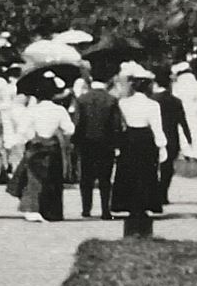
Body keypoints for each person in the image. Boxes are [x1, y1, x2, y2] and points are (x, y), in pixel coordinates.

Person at [111, 62, 167, 239]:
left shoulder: (123, 103)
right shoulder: (152, 105)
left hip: (129, 140)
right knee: (146, 175)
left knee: (128, 174)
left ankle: (130, 207)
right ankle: (143, 207)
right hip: (145, 141)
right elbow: (157, 128)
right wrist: (162, 146)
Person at [14, 85, 74, 222]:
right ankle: (53, 212)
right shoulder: (59, 110)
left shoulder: (32, 111)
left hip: (36, 146)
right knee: (54, 179)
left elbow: (22, 130)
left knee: (34, 178)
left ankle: (33, 209)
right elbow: (69, 129)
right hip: (53, 147)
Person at [72, 76, 122, 219]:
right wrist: (117, 144)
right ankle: (105, 210)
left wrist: (76, 142)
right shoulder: (111, 100)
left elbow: (78, 122)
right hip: (106, 143)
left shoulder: (82, 99)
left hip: (86, 143)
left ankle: (86, 209)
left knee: (86, 178)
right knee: (105, 178)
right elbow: (116, 125)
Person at [153, 67, 191, 205]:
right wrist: (189, 139)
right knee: (167, 168)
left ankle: (154, 193)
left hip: (155, 138)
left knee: (154, 167)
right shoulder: (175, 101)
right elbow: (183, 122)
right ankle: (163, 193)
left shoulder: (152, 99)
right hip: (172, 138)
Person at [171, 61, 197, 158]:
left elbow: (175, 98)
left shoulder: (176, 85)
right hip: (194, 111)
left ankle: (187, 152)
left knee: (183, 132)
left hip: (183, 110)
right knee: (196, 131)